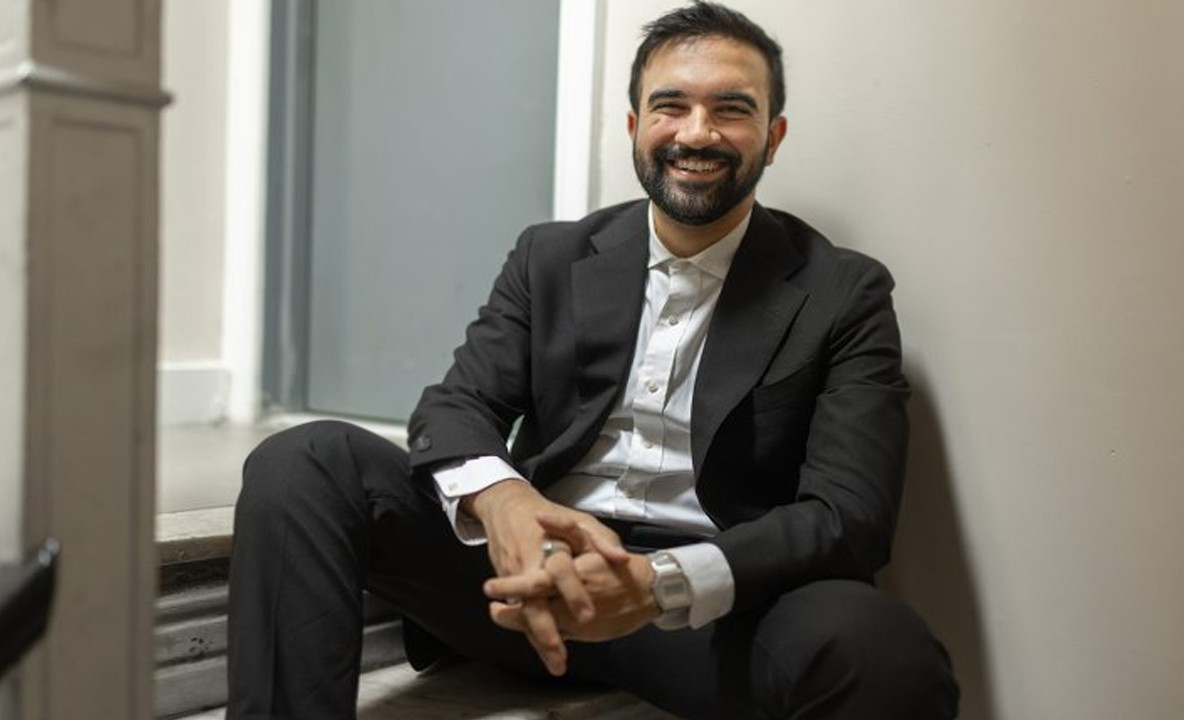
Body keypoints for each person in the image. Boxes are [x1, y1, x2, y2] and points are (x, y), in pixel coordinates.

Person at [227, 3, 959, 718]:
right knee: (307, 459)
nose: (696, 132)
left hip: (706, 612)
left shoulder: (843, 291)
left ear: (774, 137)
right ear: (635, 127)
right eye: (670, 106)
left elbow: (848, 515)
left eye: (731, 110)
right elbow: (456, 407)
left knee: (885, 653)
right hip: (523, 581)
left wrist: (655, 581)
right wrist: (506, 502)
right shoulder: (549, 256)